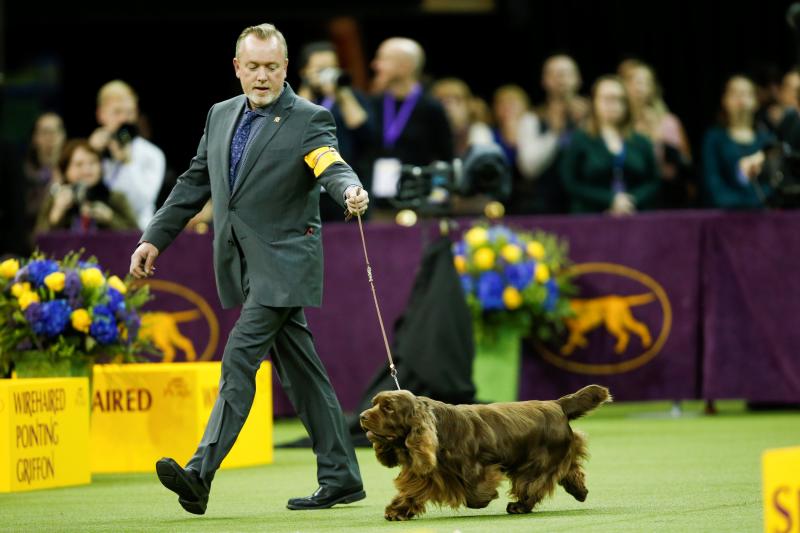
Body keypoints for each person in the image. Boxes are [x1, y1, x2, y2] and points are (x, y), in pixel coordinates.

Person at [129, 23, 368, 516]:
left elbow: (330, 164)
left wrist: (348, 190)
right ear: (237, 67)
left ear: (286, 68)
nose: (262, 76)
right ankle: (341, 477)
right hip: (244, 265)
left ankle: (199, 473)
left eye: (272, 67)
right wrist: (154, 237)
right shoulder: (219, 115)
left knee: (239, 359)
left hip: (285, 266)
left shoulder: (309, 117)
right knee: (303, 375)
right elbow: (194, 182)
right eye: (253, 66)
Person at [366, 37, 453, 207]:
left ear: (406, 66)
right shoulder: (373, 104)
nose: (375, 65)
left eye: (383, 59)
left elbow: (445, 158)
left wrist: (437, 198)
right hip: (375, 202)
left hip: (419, 202)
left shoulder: (431, 108)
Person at [561, 75, 660, 215]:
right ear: (594, 102)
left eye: (618, 99)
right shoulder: (580, 139)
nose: (613, 105)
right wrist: (610, 200)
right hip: (590, 218)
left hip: (635, 216)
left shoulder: (641, 141)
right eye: (607, 99)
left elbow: (653, 181)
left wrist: (630, 201)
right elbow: (570, 182)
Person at [296, 41, 373, 221]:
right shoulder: (297, 100)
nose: (327, 74)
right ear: (304, 72)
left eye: (332, 68)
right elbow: (293, 127)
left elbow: (366, 134)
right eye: (320, 69)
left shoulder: (352, 96)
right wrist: (307, 87)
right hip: (306, 190)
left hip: (346, 189)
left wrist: (342, 94)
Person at [516, 54, 590, 214]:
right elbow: (528, 168)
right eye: (555, 74)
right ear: (544, 81)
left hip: (587, 205)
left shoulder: (593, 117)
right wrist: (554, 132)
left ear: (578, 79)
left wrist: (585, 126)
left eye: (566, 73)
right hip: (546, 206)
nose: (561, 79)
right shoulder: (532, 118)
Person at [89, 80, 166, 230]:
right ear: (100, 114)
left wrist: (127, 162)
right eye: (117, 112)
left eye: (129, 112)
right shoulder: (90, 150)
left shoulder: (152, 154)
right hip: (95, 233)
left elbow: (141, 202)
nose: (124, 119)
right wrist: (92, 153)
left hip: (138, 235)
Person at [619, 60, 693, 208]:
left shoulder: (668, 122)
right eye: (634, 81)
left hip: (663, 196)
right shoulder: (616, 123)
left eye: (645, 82)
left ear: (653, 87)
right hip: (626, 192)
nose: (639, 87)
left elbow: (685, 162)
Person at [702, 75, 774, 209]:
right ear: (724, 100)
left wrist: (759, 202)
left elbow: (773, 183)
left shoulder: (767, 140)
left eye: (746, 93)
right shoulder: (714, 139)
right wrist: (735, 204)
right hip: (724, 214)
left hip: (762, 215)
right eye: (734, 93)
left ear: (756, 101)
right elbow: (712, 181)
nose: (740, 98)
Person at [36, 139, 138, 233]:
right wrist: (56, 214)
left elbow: (137, 238)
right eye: (79, 164)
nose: (86, 170)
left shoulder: (116, 198)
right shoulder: (55, 199)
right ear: (65, 170)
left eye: (92, 163)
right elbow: (36, 243)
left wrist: (111, 218)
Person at [24, 112, 66, 231]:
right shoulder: (26, 174)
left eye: (56, 131)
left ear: (63, 135)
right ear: (34, 138)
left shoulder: (72, 171)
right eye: (45, 132)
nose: (51, 138)